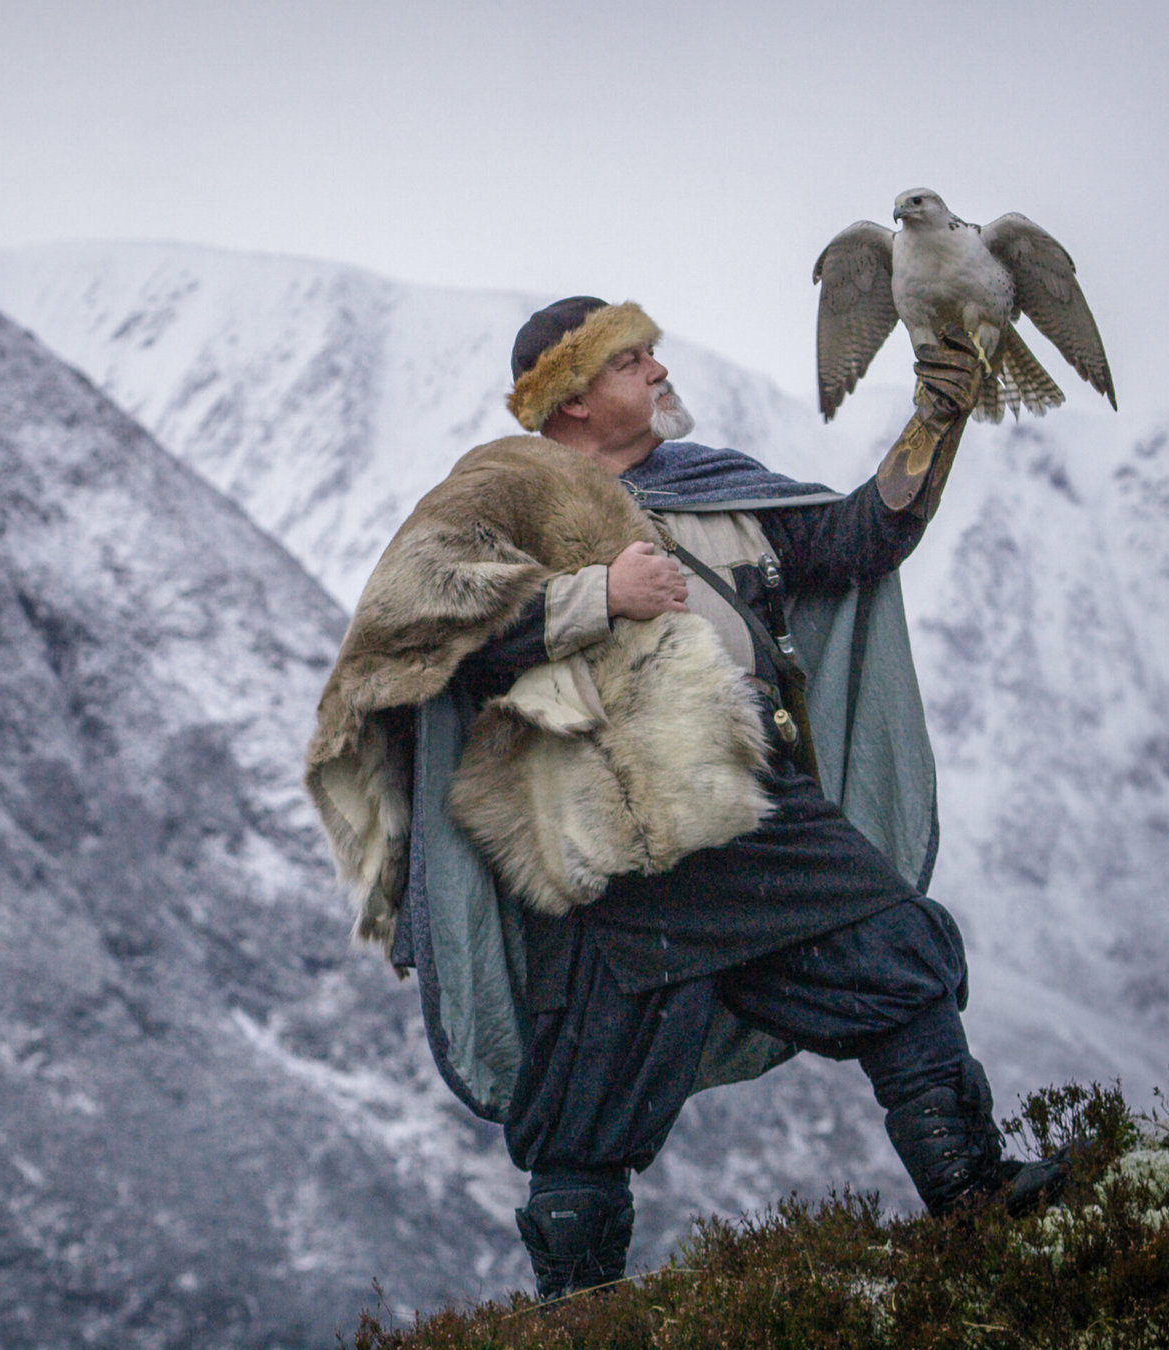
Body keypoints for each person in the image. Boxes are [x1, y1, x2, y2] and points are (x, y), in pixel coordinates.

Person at [304, 297, 1068, 1302]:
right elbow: (414, 634)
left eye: (654, 354)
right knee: (612, 1075)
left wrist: (936, 417)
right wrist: (593, 597)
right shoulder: (503, 494)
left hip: (746, 802)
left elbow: (853, 543)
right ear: (571, 400)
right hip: (610, 820)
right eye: (633, 360)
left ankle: (969, 1200)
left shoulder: (718, 496)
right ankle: (580, 1314)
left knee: (882, 965)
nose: (659, 371)